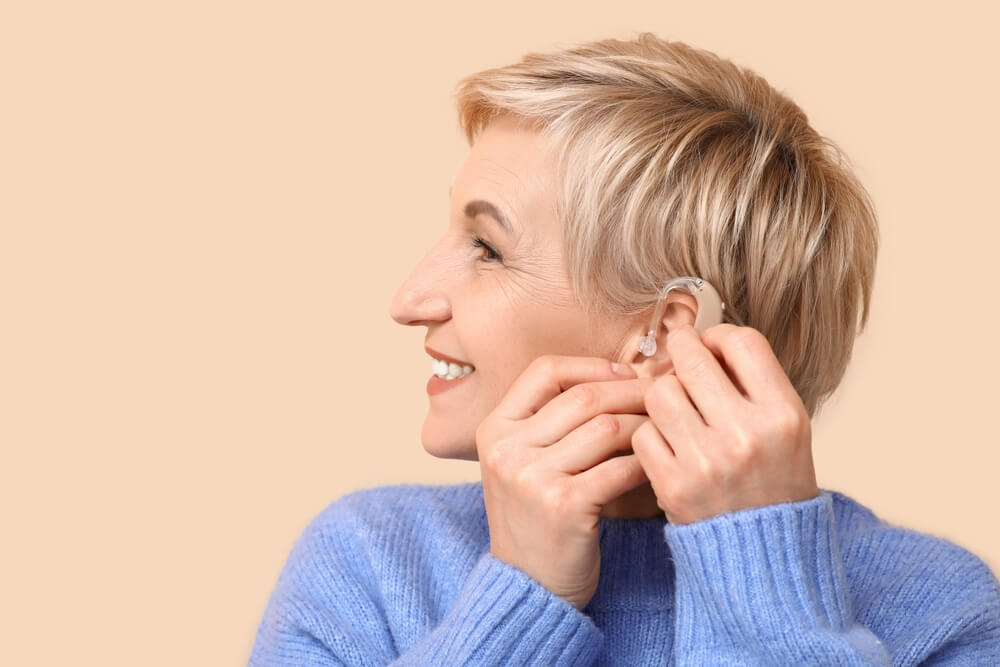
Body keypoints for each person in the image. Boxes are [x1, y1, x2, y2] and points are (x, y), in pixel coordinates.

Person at [249, 33, 1000, 665]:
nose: (409, 298)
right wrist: (516, 605)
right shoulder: (365, 569)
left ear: (663, 336)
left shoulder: (940, 611)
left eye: (487, 248)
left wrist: (764, 595)